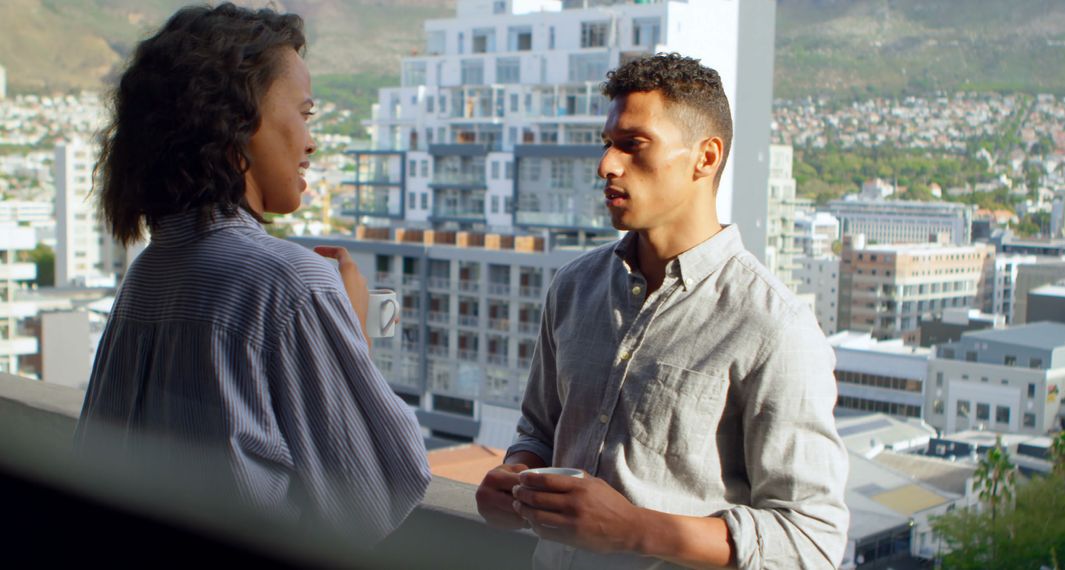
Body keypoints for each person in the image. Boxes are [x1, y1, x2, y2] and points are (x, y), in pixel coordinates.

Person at [475, 53, 849, 569]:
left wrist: (636, 529)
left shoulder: (774, 327)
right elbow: (539, 429)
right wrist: (516, 475)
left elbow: (811, 540)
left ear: (706, 156)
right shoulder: (573, 287)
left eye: (633, 145)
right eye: (608, 144)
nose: (607, 164)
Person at [75, 3, 429, 545]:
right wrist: (352, 333)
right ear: (236, 124)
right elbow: (372, 497)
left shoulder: (150, 272)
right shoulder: (288, 282)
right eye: (305, 114)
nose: (311, 143)